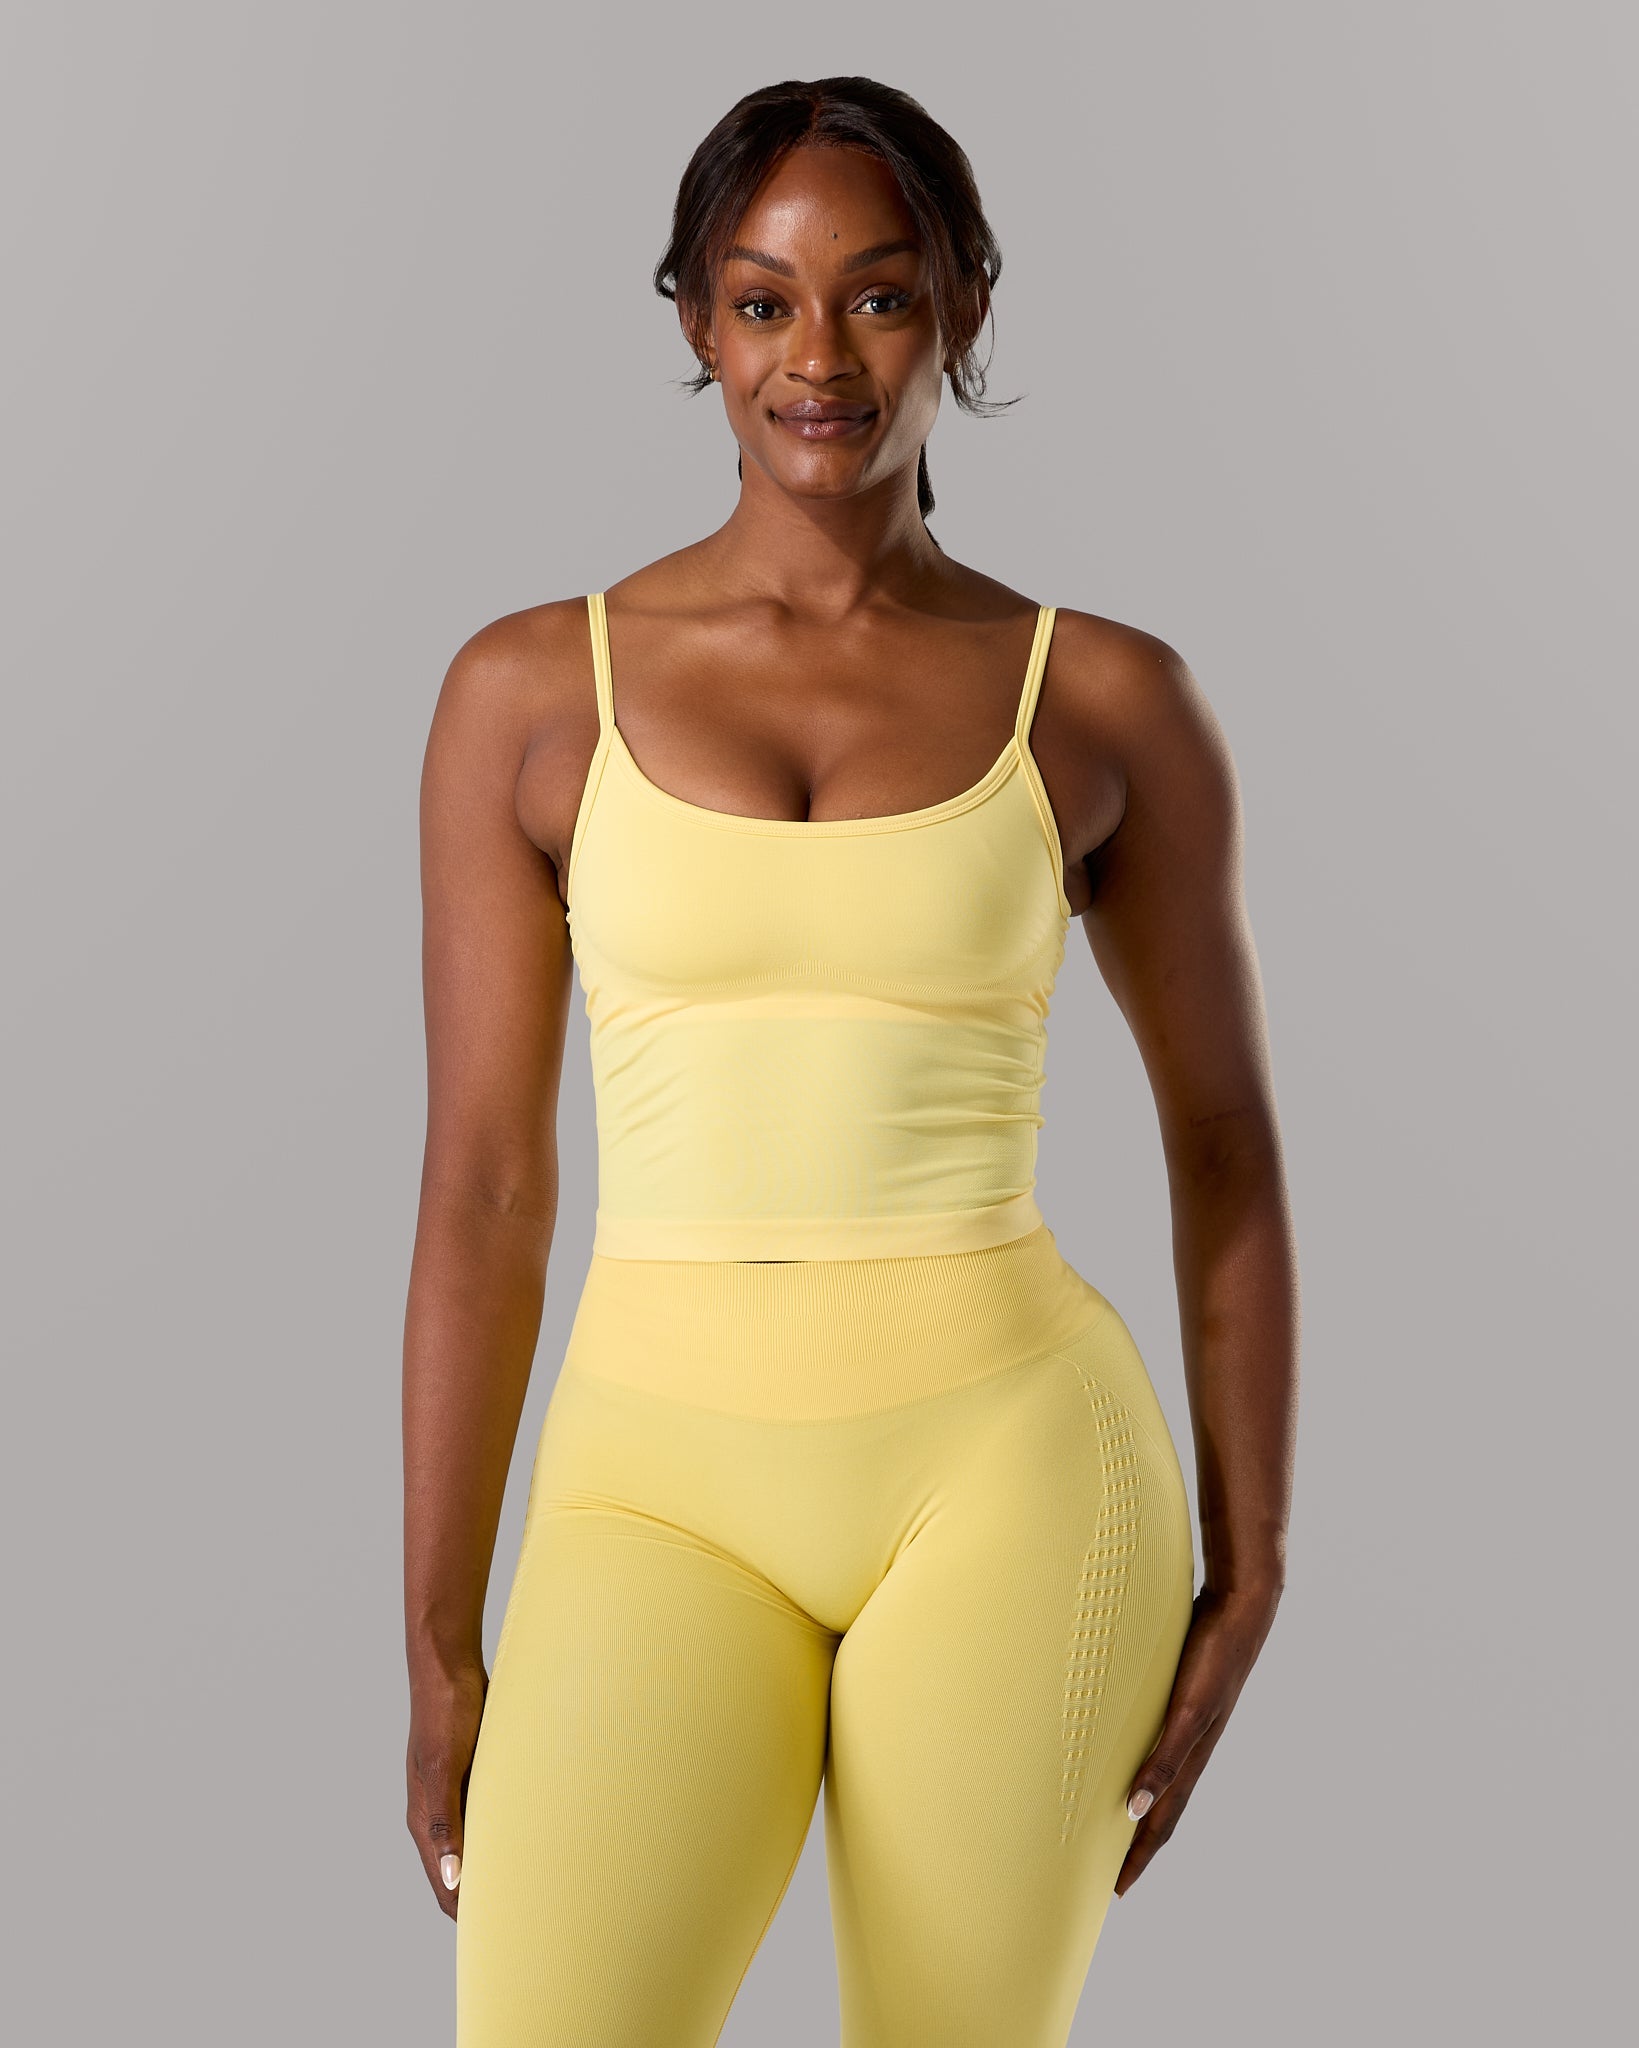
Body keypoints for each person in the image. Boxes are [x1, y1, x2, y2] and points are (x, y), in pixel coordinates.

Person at [403, 74, 1299, 2048]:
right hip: (652, 1485)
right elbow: (484, 1184)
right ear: (694, 321)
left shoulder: (1105, 699)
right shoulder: (530, 695)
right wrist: (440, 1639)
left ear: (963, 306)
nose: (818, 357)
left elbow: (1224, 1137)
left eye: (879, 296)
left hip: (1012, 1467)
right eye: (761, 302)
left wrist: (1255, 1560)